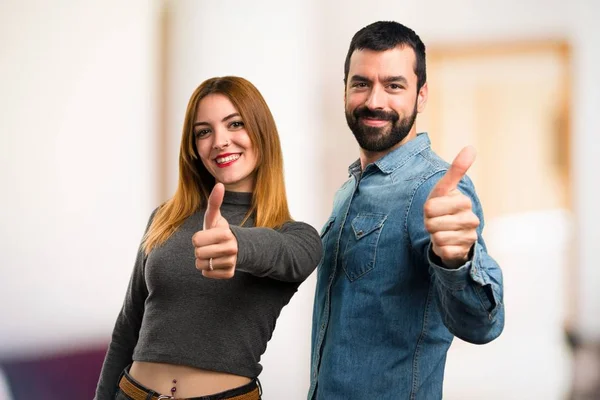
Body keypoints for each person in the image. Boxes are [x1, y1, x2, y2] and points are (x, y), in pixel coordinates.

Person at [309, 21, 505, 400]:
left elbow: (482, 324)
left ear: (421, 95)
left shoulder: (433, 188)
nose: (374, 101)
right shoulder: (349, 189)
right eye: (361, 83)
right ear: (345, 90)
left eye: (394, 85)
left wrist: (456, 261)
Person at [94, 76, 322, 400]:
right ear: (193, 148)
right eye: (204, 131)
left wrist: (237, 245)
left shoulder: (295, 236)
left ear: (262, 131)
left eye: (235, 124)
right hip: (131, 392)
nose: (220, 141)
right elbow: (127, 328)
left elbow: (293, 253)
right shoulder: (164, 218)